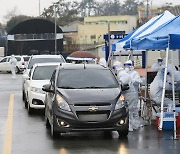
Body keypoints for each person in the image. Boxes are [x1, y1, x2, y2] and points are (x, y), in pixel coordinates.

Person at [117, 60, 142, 131]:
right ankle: (130, 125)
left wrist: (132, 81)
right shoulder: (123, 73)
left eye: (128, 65)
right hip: (125, 94)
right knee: (127, 110)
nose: (126, 67)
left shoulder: (135, 73)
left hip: (133, 93)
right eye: (125, 65)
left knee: (134, 110)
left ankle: (136, 125)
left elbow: (139, 81)